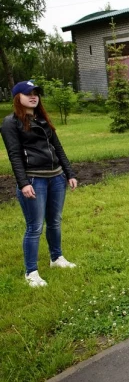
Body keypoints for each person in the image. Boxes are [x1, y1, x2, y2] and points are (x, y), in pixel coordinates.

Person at [1, 81, 78, 288]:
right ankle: (31, 272)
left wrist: (69, 173)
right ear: (18, 97)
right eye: (28, 94)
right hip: (34, 180)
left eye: (36, 93)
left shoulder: (42, 119)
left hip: (56, 178)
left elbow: (58, 148)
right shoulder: (10, 123)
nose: (33, 96)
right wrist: (23, 183)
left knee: (54, 221)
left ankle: (56, 258)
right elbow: (14, 156)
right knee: (34, 227)